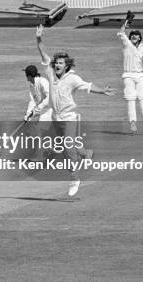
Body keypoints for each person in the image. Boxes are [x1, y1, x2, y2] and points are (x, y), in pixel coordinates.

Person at [35, 24, 114, 197]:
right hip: (56, 118)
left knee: (67, 147)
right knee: (65, 146)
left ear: (66, 65)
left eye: (61, 63)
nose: (57, 65)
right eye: (56, 62)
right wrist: (39, 38)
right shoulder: (49, 73)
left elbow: (89, 86)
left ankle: (74, 178)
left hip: (69, 117)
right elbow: (43, 53)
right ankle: (87, 154)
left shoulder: (73, 78)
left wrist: (102, 91)